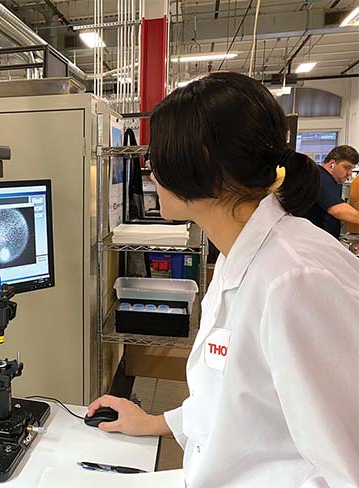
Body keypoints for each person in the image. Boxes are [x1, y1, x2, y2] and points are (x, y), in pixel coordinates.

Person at [88, 72, 359, 487]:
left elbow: (347, 466)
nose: (152, 172)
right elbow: (239, 397)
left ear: (201, 159)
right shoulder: (241, 255)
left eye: (157, 157)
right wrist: (155, 422)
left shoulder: (296, 280)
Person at [303, 145, 359, 238]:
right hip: (313, 240)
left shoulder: (333, 182)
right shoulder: (321, 177)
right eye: (347, 168)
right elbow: (337, 210)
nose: (349, 173)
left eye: (351, 169)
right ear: (331, 164)